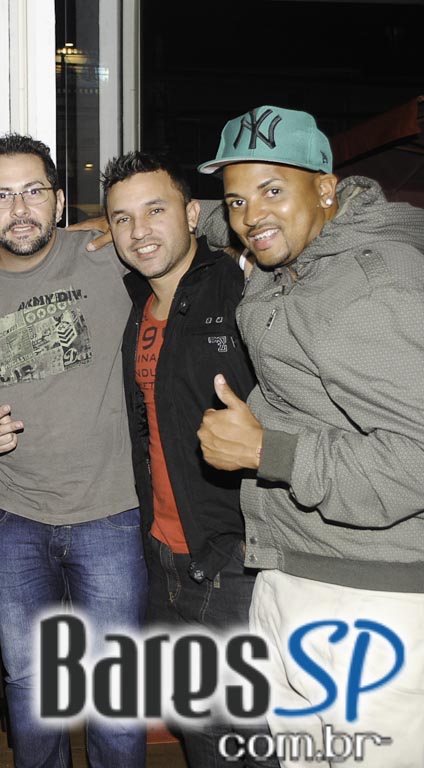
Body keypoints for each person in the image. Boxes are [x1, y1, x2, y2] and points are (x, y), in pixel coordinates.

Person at [196, 106, 424, 765]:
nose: (250, 217)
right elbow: (235, 219)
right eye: (237, 200)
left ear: (326, 188)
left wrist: (265, 451)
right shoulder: (300, 252)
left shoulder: (374, 287)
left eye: (272, 190)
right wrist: (165, 217)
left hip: (372, 601)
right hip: (297, 571)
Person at [0, 133, 146, 767]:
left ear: (61, 200)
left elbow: (177, 225)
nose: (19, 209)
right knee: (32, 688)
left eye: (33, 191)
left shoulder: (106, 254)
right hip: (12, 518)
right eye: (1, 195)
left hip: (110, 513)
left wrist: (114, 222)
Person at [103, 151, 273, 767]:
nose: (139, 231)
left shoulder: (241, 288)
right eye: (122, 218)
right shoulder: (134, 302)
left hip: (234, 559)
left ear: (193, 214)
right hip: (163, 558)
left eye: (156, 210)